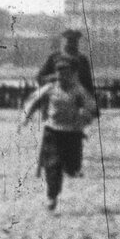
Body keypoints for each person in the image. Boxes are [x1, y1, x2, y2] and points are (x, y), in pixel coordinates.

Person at [20, 55, 97, 211]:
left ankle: (69, 168)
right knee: (52, 165)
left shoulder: (78, 90)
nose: (63, 77)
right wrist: (26, 117)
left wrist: (85, 116)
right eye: (60, 73)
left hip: (73, 134)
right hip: (53, 132)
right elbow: (33, 101)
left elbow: (91, 108)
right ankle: (52, 196)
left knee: (73, 167)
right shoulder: (50, 88)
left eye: (66, 73)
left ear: (73, 74)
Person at [37, 30, 96, 109]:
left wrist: (91, 97)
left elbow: (88, 82)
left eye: (74, 42)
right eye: (69, 41)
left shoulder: (82, 59)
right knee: (37, 97)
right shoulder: (54, 57)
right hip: (56, 90)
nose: (72, 44)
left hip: (77, 93)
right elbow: (40, 77)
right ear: (64, 42)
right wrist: (57, 77)